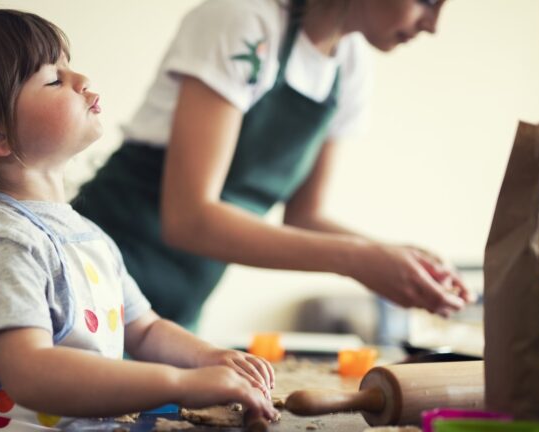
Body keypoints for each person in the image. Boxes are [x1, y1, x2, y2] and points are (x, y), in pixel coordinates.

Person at [0, 9, 278, 432]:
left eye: (68, 67)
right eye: (54, 79)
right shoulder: (0, 236)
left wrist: (209, 358)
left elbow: (143, 328)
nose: (82, 80)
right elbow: (30, 371)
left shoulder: (88, 234)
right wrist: (181, 383)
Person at [73, 0, 473, 330]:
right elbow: (188, 219)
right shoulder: (243, 22)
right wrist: (359, 260)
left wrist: (396, 260)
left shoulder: (350, 67)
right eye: (428, 1)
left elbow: (305, 216)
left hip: (175, 314)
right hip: (96, 281)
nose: (434, 25)